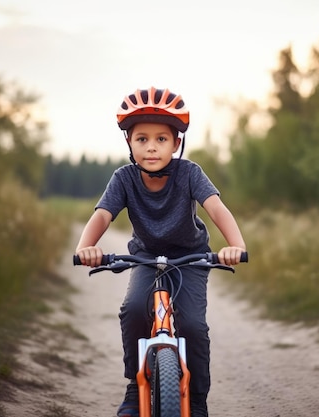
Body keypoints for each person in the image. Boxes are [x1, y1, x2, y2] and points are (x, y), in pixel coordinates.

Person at [75, 87, 246, 417]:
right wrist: (86, 248)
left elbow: (217, 209)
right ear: (129, 143)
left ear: (176, 143)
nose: (151, 147)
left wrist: (235, 245)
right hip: (145, 257)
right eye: (141, 139)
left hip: (191, 258)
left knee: (193, 325)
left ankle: (196, 401)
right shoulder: (123, 179)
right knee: (134, 309)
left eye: (161, 139)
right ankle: (131, 387)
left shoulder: (190, 173)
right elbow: (102, 215)